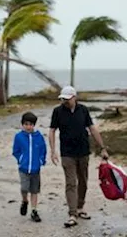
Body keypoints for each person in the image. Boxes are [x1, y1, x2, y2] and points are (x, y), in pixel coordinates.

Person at [48, 86, 109, 228]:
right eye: (63, 99)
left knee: (83, 181)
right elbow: (52, 131)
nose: (65, 101)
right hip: (67, 153)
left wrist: (102, 148)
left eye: (67, 99)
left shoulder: (83, 110)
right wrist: (52, 150)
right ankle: (72, 213)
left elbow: (92, 128)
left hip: (83, 151)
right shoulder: (57, 111)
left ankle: (80, 207)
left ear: (75, 97)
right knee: (71, 183)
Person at [11, 111, 46, 223]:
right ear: (22, 124)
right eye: (26, 124)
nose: (28, 126)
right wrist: (20, 159)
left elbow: (43, 149)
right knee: (24, 188)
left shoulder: (39, 136)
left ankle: (34, 210)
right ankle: (24, 201)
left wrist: (41, 160)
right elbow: (15, 151)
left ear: (34, 125)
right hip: (23, 169)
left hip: (36, 169)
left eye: (30, 124)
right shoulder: (19, 137)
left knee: (34, 190)